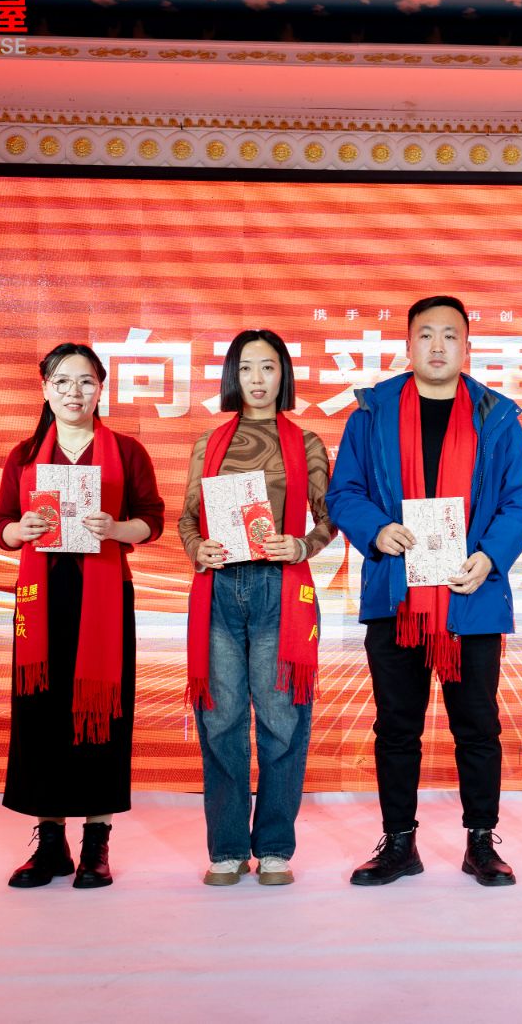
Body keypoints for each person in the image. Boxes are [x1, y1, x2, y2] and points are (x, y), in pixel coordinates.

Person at [325, 295, 522, 887]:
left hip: (472, 594)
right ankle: (399, 843)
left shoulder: (497, 416)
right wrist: (377, 529)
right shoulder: (373, 413)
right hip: (398, 597)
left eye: (449, 335)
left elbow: (519, 501)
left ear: (467, 345)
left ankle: (480, 842)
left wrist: (489, 556)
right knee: (397, 727)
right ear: (408, 344)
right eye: (426, 335)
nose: (437, 346)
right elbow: (344, 492)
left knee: (479, 728)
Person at [0, 342, 165, 889]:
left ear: (101, 388)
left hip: (105, 596)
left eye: (86, 381)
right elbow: (0, 523)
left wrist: (117, 529)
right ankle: (50, 844)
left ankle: (96, 843)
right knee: (41, 715)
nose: (74, 392)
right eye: (62, 381)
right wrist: (19, 531)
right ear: (45, 389)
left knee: (101, 713)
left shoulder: (126, 451)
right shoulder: (24, 455)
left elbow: (152, 519)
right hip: (41, 599)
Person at [180, 330, 336, 887]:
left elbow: (329, 519)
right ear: (233, 376)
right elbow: (187, 519)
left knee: (281, 721)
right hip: (219, 589)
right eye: (246, 368)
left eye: (268, 367)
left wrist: (301, 546)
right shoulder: (209, 442)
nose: (257, 378)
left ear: (283, 374)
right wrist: (198, 549)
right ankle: (226, 848)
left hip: (279, 590)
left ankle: (273, 847)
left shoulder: (307, 442)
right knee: (220, 720)